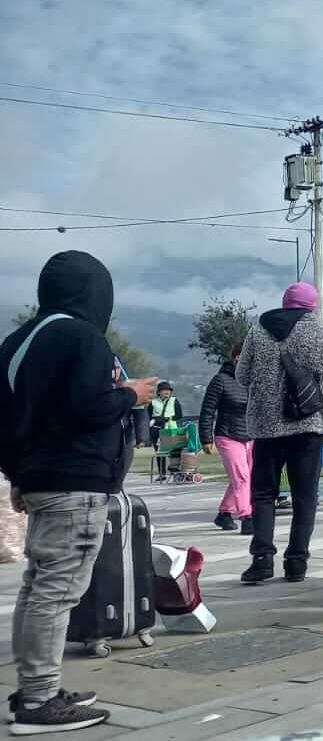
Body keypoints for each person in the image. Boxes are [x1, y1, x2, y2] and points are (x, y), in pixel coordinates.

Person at [0, 251, 159, 734]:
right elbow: (90, 409)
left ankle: (34, 687)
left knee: (37, 586)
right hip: (76, 480)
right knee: (56, 589)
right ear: (95, 292)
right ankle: (40, 700)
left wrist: (18, 477)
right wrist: (132, 394)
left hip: (41, 480)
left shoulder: (15, 343)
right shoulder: (81, 338)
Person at [236, 282, 323, 585]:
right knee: (305, 496)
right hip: (308, 428)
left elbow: (242, 375)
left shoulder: (259, 331)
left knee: (262, 494)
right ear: (312, 305)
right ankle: (297, 561)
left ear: (284, 302)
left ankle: (262, 559)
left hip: (265, 428)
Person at [200, 342, 253, 534]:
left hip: (250, 435)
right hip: (228, 435)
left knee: (244, 477)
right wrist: (206, 438)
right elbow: (207, 410)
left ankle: (224, 513)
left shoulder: (253, 380)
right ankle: (247, 516)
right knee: (241, 477)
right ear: (237, 357)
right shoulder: (220, 380)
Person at [149, 381, 183, 446]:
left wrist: (168, 418)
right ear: (159, 392)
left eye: (168, 390)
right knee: (159, 450)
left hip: (171, 429)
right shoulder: (153, 402)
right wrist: (156, 419)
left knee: (172, 449)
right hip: (156, 429)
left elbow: (179, 415)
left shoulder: (174, 400)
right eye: (164, 390)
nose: (167, 392)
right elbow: (148, 416)